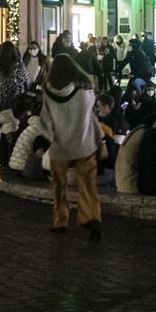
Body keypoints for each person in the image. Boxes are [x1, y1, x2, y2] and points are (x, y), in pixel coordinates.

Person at [40, 54, 103, 240]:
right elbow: (91, 112)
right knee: (88, 184)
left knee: (59, 185)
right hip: (84, 144)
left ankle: (60, 220)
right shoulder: (85, 89)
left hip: (59, 147)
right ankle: (91, 217)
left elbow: (46, 119)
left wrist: (42, 142)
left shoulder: (48, 91)